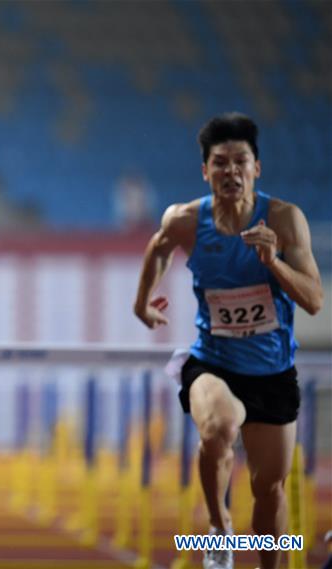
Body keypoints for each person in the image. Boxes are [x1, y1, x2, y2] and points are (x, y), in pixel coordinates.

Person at [133, 113, 323, 569]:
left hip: (272, 373)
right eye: (220, 162)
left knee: (268, 488)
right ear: (206, 171)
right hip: (211, 363)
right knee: (217, 429)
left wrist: (273, 262)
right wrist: (142, 303)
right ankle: (219, 530)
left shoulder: (284, 219)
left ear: (257, 168)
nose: (231, 172)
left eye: (241, 162)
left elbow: (315, 299)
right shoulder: (184, 220)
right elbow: (158, 247)